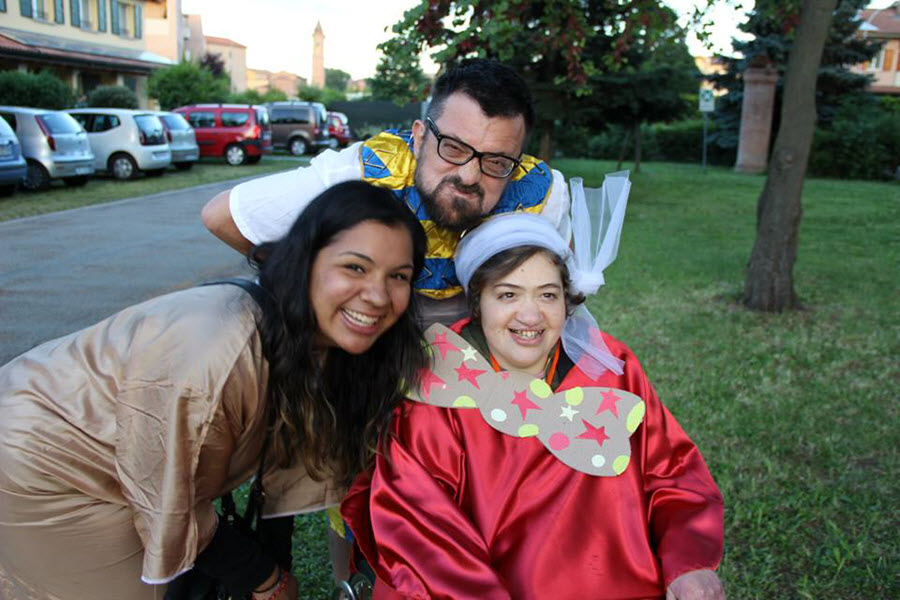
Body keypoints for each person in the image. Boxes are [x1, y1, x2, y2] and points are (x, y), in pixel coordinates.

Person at [0, 181, 429, 600]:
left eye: (399, 276)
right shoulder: (217, 351)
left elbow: (284, 473)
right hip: (45, 462)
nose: (377, 295)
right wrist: (264, 578)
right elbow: (169, 499)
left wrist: (274, 568)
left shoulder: (326, 345)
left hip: (134, 466)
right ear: (305, 262)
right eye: (355, 267)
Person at [341, 177, 726, 599]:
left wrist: (687, 563)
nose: (530, 315)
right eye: (507, 295)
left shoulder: (609, 368)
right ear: (477, 301)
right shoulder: (438, 386)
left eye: (547, 295)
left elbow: (671, 475)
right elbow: (420, 530)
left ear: (567, 301)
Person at [201, 58, 571, 327]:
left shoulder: (541, 197)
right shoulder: (360, 174)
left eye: (496, 162)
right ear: (420, 136)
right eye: (453, 149)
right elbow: (224, 217)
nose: (469, 176)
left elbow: (561, 298)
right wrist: (323, 291)